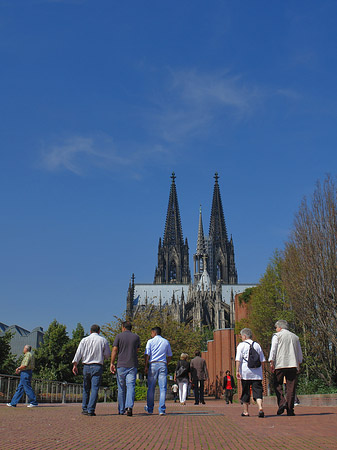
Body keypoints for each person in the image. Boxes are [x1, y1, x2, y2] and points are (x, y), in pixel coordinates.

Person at [72, 324, 111, 416]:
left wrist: (75, 364)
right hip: (97, 366)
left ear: (90, 331)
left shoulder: (84, 340)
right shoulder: (103, 340)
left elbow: (78, 353)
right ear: (99, 331)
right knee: (94, 389)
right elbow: (107, 355)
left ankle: (84, 408)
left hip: (86, 366)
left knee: (86, 388)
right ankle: (91, 410)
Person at [269, 320, 303, 416]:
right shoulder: (295, 337)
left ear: (280, 327)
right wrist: (298, 363)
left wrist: (271, 361)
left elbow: (274, 349)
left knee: (277, 384)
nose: (276, 329)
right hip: (292, 364)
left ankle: (282, 402)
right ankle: (290, 409)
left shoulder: (277, 336)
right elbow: (299, 353)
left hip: (280, 363)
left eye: (276, 327)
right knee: (291, 387)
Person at [110, 320, 140, 417]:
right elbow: (137, 350)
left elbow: (115, 350)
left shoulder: (119, 336)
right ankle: (129, 407)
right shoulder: (136, 337)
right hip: (132, 365)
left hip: (121, 365)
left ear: (123, 327)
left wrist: (112, 363)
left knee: (121, 388)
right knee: (131, 386)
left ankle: (121, 409)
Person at [236, 328, 265, 417]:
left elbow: (238, 359)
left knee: (245, 391)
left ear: (244, 336)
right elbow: (262, 360)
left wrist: (237, 370)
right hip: (257, 373)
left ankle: (246, 411)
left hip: (245, 372)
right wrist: (261, 371)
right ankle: (260, 407)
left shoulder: (241, 345)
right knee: (258, 391)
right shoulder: (257, 345)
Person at [144, 326, 172, 415]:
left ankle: (150, 408)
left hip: (153, 364)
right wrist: (166, 363)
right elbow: (170, 355)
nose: (151, 334)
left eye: (151, 333)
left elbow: (147, 354)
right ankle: (161, 409)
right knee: (163, 388)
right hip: (162, 364)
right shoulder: (166, 342)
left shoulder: (150, 341)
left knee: (151, 388)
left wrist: (146, 366)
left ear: (154, 332)